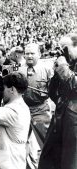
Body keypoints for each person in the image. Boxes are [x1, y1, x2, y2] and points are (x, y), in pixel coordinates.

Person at [39, 33, 77, 169]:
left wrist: (63, 67)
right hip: (62, 116)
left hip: (73, 121)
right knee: (50, 159)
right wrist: (57, 71)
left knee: (70, 160)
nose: (61, 51)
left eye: (65, 48)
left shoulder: (67, 67)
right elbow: (53, 93)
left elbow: (74, 85)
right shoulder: (68, 65)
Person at [18, 43, 53, 148]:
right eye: (27, 53)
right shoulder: (18, 69)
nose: (29, 56)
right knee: (20, 143)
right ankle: (27, 165)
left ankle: (50, 164)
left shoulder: (47, 70)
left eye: (32, 53)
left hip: (40, 109)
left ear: (39, 54)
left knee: (47, 143)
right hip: (22, 110)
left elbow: (54, 90)